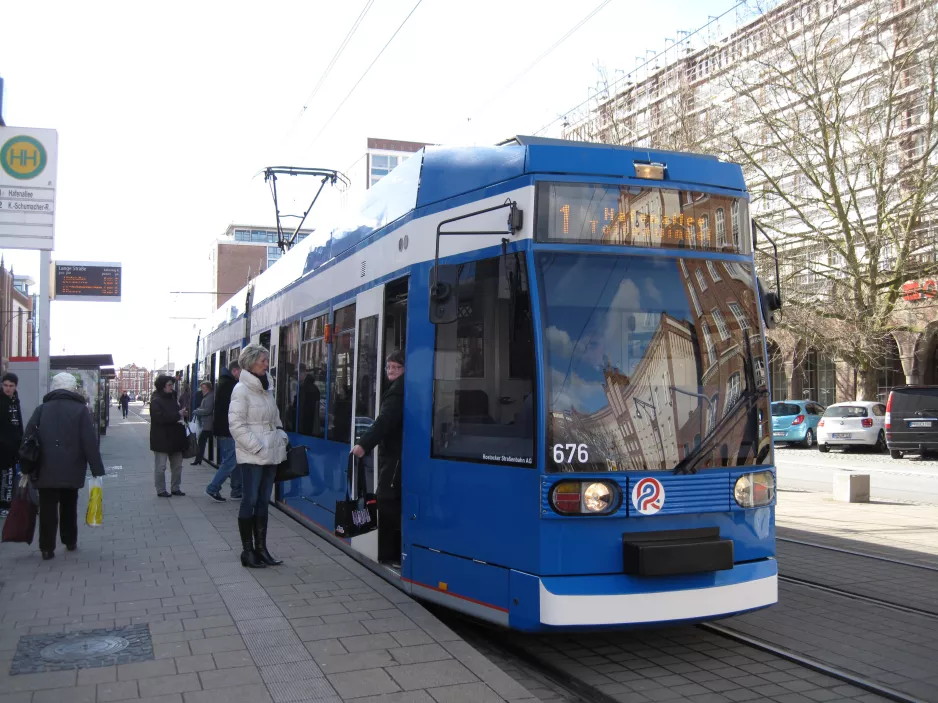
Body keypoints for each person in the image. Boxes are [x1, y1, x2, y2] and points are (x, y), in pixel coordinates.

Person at [24, 372, 105, 559]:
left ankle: (46, 547)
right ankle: (69, 540)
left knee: (47, 508)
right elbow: (89, 441)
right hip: (72, 467)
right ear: (72, 388)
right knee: (69, 504)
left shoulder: (42, 409)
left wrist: (27, 465)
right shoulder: (80, 410)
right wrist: (96, 468)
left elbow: (28, 437)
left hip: (45, 467)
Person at [229, 344, 287, 568]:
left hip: (271, 454)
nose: (266, 363)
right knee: (250, 500)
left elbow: (275, 418)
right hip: (253, 456)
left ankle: (262, 549)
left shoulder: (267, 387)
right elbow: (236, 425)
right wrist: (258, 448)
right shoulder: (241, 390)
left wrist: (281, 436)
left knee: (263, 502)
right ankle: (248, 551)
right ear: (251, 362)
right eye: (263, 360)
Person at [352, 351, 404, 567]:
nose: (391, 371)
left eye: (396, 367)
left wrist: (363, 444)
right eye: (388, 367)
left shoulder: (395, 394)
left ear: (404, 369)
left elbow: (383, 422)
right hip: (396, 454)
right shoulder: (399, 388)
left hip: (394, 457)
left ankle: (390, 554)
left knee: (387, 500)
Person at [206, 360, 243, 501]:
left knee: (235, 460)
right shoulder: (231, 386)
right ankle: (213, 488)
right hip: (228, 430)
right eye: (241, 372)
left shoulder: (224, 384)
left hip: (225, 430)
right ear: (235, 371)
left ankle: (236, 489)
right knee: (231, 461)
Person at [150, 374, 185, 497]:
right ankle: (161, 490)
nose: (172, 387)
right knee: (161, 466)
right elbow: (159, 418)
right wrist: (178, 414)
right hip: (161, 438)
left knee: (177, 466)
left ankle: (176, 487)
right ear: (162, 386)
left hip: (175, 437)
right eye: (169, 385)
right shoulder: (155, 400)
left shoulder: (173, 396)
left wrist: (180, 415)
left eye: (172, 384)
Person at [0, 372, 24, 518]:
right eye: (5, 385)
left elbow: (18, 422)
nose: (8, 388)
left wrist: (21, 440)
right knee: (5, 476)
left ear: (15, 387)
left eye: (11, 386)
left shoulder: (15, 400)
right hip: (3, 446)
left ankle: (6, 504)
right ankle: (4, 504)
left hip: (13, 447)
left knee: (8, 477)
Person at [191, 381, 214, 465]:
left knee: (201, 441)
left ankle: (198, 460)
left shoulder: (209, 397)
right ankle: (198, 459)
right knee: (202, 441)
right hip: (207, 423)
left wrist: (196, 411)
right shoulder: (207, 396)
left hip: (208, 424)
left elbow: (208, 410)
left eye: (203, 388)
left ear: (208, 388)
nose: (202, 390)